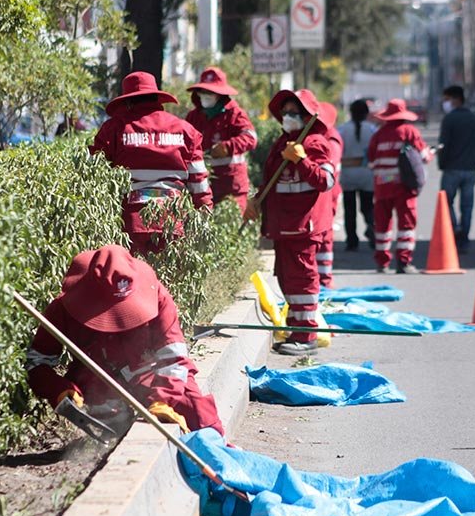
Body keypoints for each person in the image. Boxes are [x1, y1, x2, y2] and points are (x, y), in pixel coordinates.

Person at [25, 245, 224, 435]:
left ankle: (216, 449)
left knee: (196, 410)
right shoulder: (64, 307)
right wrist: (58, 389)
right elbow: (36, 362)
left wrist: (163, 399)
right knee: (110, 417)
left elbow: (174, 358)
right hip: (97, 381)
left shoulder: (157, 295)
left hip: (150, 374)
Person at [244, 89, 335, 356]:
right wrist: (256, 201)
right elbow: (271, 180)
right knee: (287, 279)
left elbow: (326, 181)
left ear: (307, 116)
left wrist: (303, 160)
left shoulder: (316, 142)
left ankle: (306, 334)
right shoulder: (282, 143)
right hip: (283, 226)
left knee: (302, 279)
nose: (288, 117)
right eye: (285, 113)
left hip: (302, 226)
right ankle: (297, 330)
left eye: (294, 113)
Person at [90, 72, 212, 254]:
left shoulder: (114, 129)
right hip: (173, 222)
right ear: (157, 98)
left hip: (130, 224)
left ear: (128, 102)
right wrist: (204, 215)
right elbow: (199, 183)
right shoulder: (186, 131)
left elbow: (93, 175)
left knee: (135, 279)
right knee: (168, 280)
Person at [367, 99, 431, 274]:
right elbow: (424, 156)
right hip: (403, 186)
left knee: (382, 225)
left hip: (382, 186)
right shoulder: (410, 132)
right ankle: (403, 262)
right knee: (406, 224)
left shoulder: (377, 135)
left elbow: (371, 161)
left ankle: (382, 262)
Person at [184, 67, 257, 213]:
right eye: (203, 92)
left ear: (220, 94)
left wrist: (227, 147)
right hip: (202, 187)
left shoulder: (234, 114)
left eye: (210, 92)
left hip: (231, 188)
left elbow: (250, 138)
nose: (206, 96)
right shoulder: (194, 117)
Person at [438, 85, 475, 252]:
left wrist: (442, 163)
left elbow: (443, 145)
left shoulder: (449, 120)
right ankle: (464, 239)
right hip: (470, 170)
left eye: (446, 99)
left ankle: (455, 229)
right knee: (467, 206)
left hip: (451, 169)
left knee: (446, 202)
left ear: (456, 99)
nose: (444, 103)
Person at [338, 99, 377, 251]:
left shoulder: (342, 129)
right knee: (368, 207)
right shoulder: (372, 129)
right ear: (366, 113)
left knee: (350, 209)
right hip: (367, 173)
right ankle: (373, 229)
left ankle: (352, 240)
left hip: (348, 173)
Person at [315, 101, 342, 289]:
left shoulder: (331, 140)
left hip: (327, 194)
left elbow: (326, 171)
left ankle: (324, 279)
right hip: (321, 193)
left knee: (324, 235)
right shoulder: (322, 137)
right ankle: (320, 277)